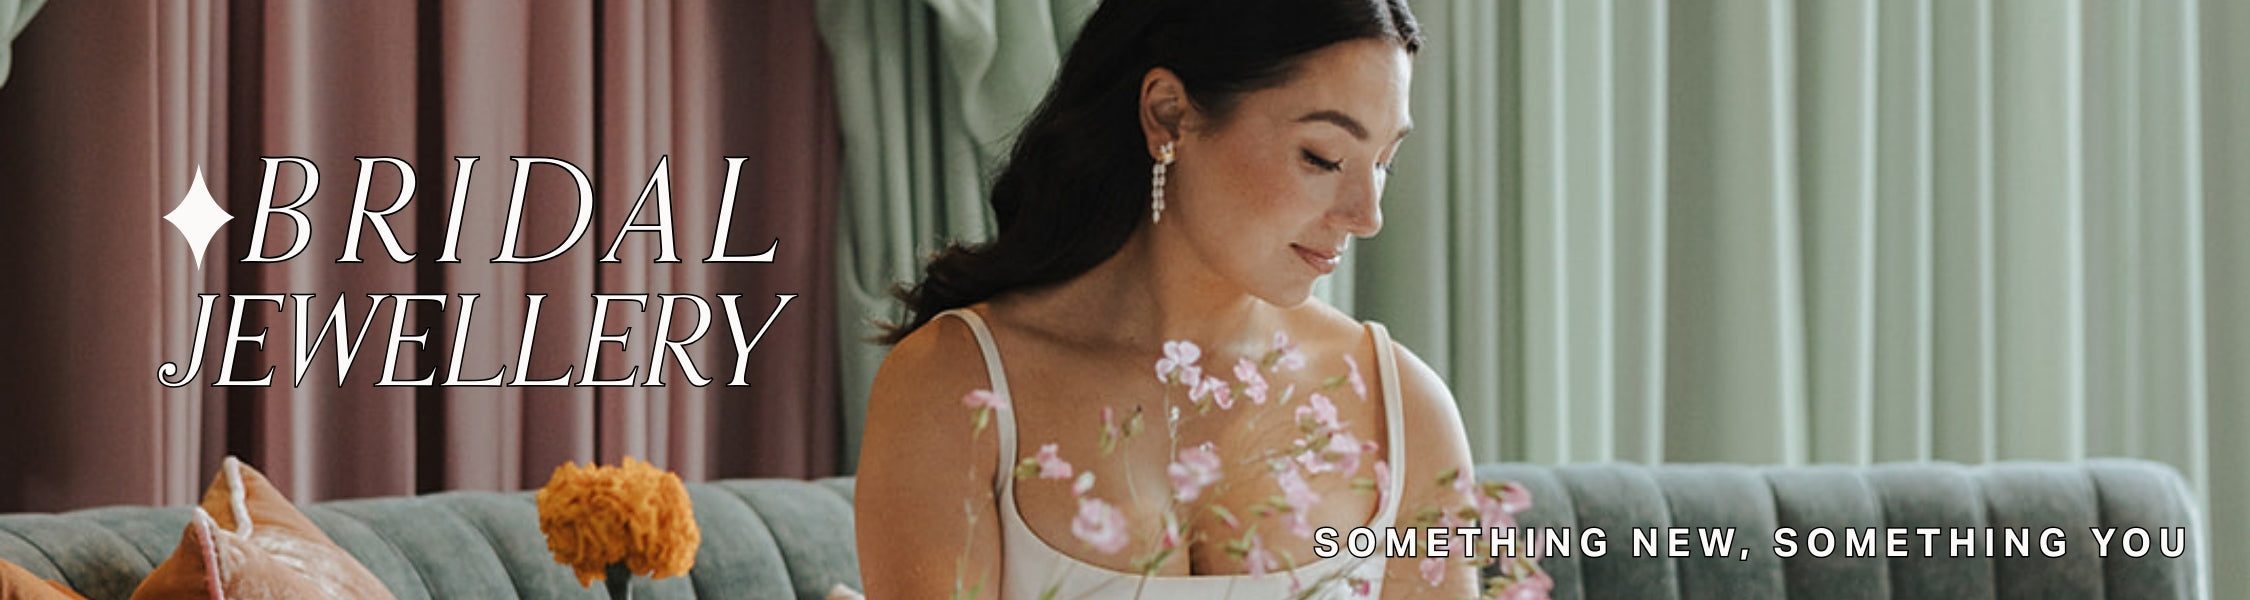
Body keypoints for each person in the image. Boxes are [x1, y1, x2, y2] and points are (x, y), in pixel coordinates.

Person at [856, 1, 1485, 597]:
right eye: (1322, 157)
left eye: (1385, 163)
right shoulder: (955, 386)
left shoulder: (1400, 405)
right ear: (1168, 114)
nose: (1367, 215)